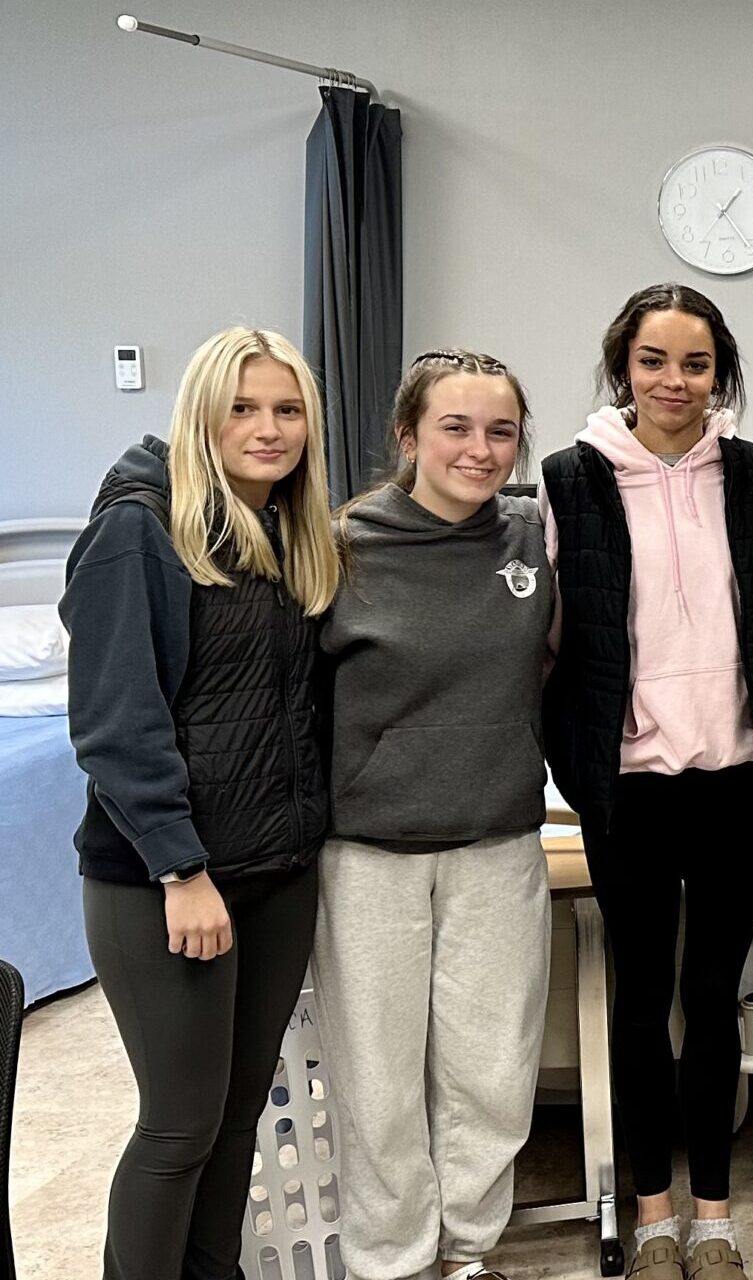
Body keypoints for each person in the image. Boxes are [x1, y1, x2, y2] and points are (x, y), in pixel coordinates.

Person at [61, 326, 341, 1280]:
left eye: (288, 408)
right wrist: (181, 868)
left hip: (275, 872)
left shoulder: (288, 535)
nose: (269, 429)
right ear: (199, 417)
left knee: (234, 1124)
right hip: (166, 882)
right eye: (244, 408)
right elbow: (114, 720)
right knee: (179, 1127)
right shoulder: (138, 528)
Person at [542, 283, 753, 1280]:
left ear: (719, 372)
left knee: (712, 998)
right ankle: (650, 1216)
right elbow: (555, 639)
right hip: (631, 787)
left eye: (694, 363)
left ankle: (715, 1216)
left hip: (734, 780)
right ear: (622, 367)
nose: (674, 382)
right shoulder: (572, 477)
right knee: (640, 1002)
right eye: (653, 360)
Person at [312, 349, 552, 1280]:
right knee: (378, 1084)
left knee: (490, 1077)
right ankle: (391, 1263)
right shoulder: (337, 547)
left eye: (501, 431)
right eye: (455, 427)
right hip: (368, 855)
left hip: (498, 845)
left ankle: (470, 1258)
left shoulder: (533, 539)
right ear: (408, 437)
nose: (480, 449)